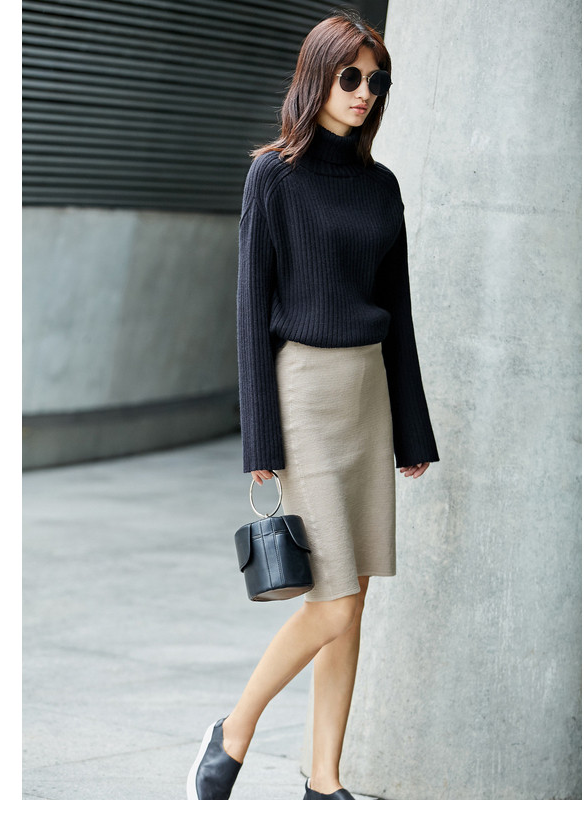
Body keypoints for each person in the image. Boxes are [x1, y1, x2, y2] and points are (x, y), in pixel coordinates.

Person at [187, 10, 439, 800]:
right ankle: (232, 732)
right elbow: (249, 311)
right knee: (331, 604)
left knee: (352, 603)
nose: (364, 92)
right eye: (350, 76)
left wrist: (412, 432)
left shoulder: (382, 187)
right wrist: (259, 438)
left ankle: (324, 782)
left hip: (368, 397)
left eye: (376, 80)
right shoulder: (273, 176)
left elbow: (399, 315)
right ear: (318, 77)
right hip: (303, 394)